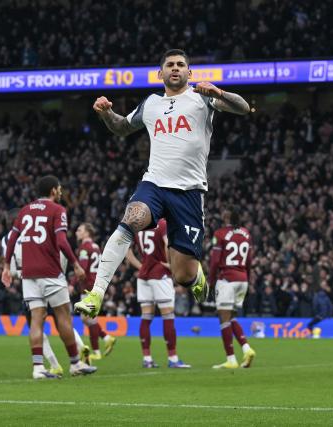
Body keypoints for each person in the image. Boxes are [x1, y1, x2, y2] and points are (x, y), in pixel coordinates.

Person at [74, 48, 250, 318]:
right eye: (170, 65)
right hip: (154, 184)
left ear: (189, 73)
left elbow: (243, 107)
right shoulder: (151, 104)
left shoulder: (202, 99)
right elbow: (122, 127)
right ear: (161, 73)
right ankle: (96, 293)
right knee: (131, 219)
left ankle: (197, 278)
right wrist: (106, 114)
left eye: (181, 64)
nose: (176, 68)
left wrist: (220, 94)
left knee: (182, 274)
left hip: (189, 193)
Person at [2, 175, 97, 379]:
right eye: (60, 188)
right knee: (63, 316)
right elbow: (62, 241)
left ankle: (38, 368)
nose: (61, 192)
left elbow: (12, 239)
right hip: (50, 272)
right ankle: (75, 363)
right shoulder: (57, 210)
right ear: (53, 190)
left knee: (36, 320)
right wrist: (75, 264)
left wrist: (5, 266)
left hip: (28, 274)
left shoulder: (25, 210)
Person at [126, 218, 190, 368]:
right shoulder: (161, 224)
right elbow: (168, 244)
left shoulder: (137, 226)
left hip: (144, 277)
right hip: (160, 275)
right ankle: (173, 359)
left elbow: (127, 253)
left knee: (146, 317)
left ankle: (147, 358)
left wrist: (141, 267)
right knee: (168, 316)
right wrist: (172, 265)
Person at [209, 208, 256, 369]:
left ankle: (231, 359)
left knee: (223, 319)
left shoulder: (220, 234)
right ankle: (246, 348)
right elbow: (249, 260)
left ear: (227, 216)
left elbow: (215, 262)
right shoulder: (246, 233)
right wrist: (247, 278)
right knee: (232, 317)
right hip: (242, 278)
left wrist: (210, 281)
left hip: (227, 279)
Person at [74, 223, 116, 361]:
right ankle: (106, 338)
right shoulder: (96, 247)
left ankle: (97, 351)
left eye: (80, 230)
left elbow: (83, 269)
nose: (76, 232)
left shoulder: (84, 248)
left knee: (89, 319)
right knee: (88, 318)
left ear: (87, 233)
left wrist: (71, 283)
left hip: (88, 286)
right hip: (96, 285)